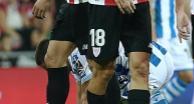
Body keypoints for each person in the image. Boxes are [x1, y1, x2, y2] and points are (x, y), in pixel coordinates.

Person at [35, 39, 174, 104]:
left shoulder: (76, 54)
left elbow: (85, 97)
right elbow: (81, 93)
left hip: (149, 65)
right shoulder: (75, 48)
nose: (52, 73)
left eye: (49, 68)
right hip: (159, 57)